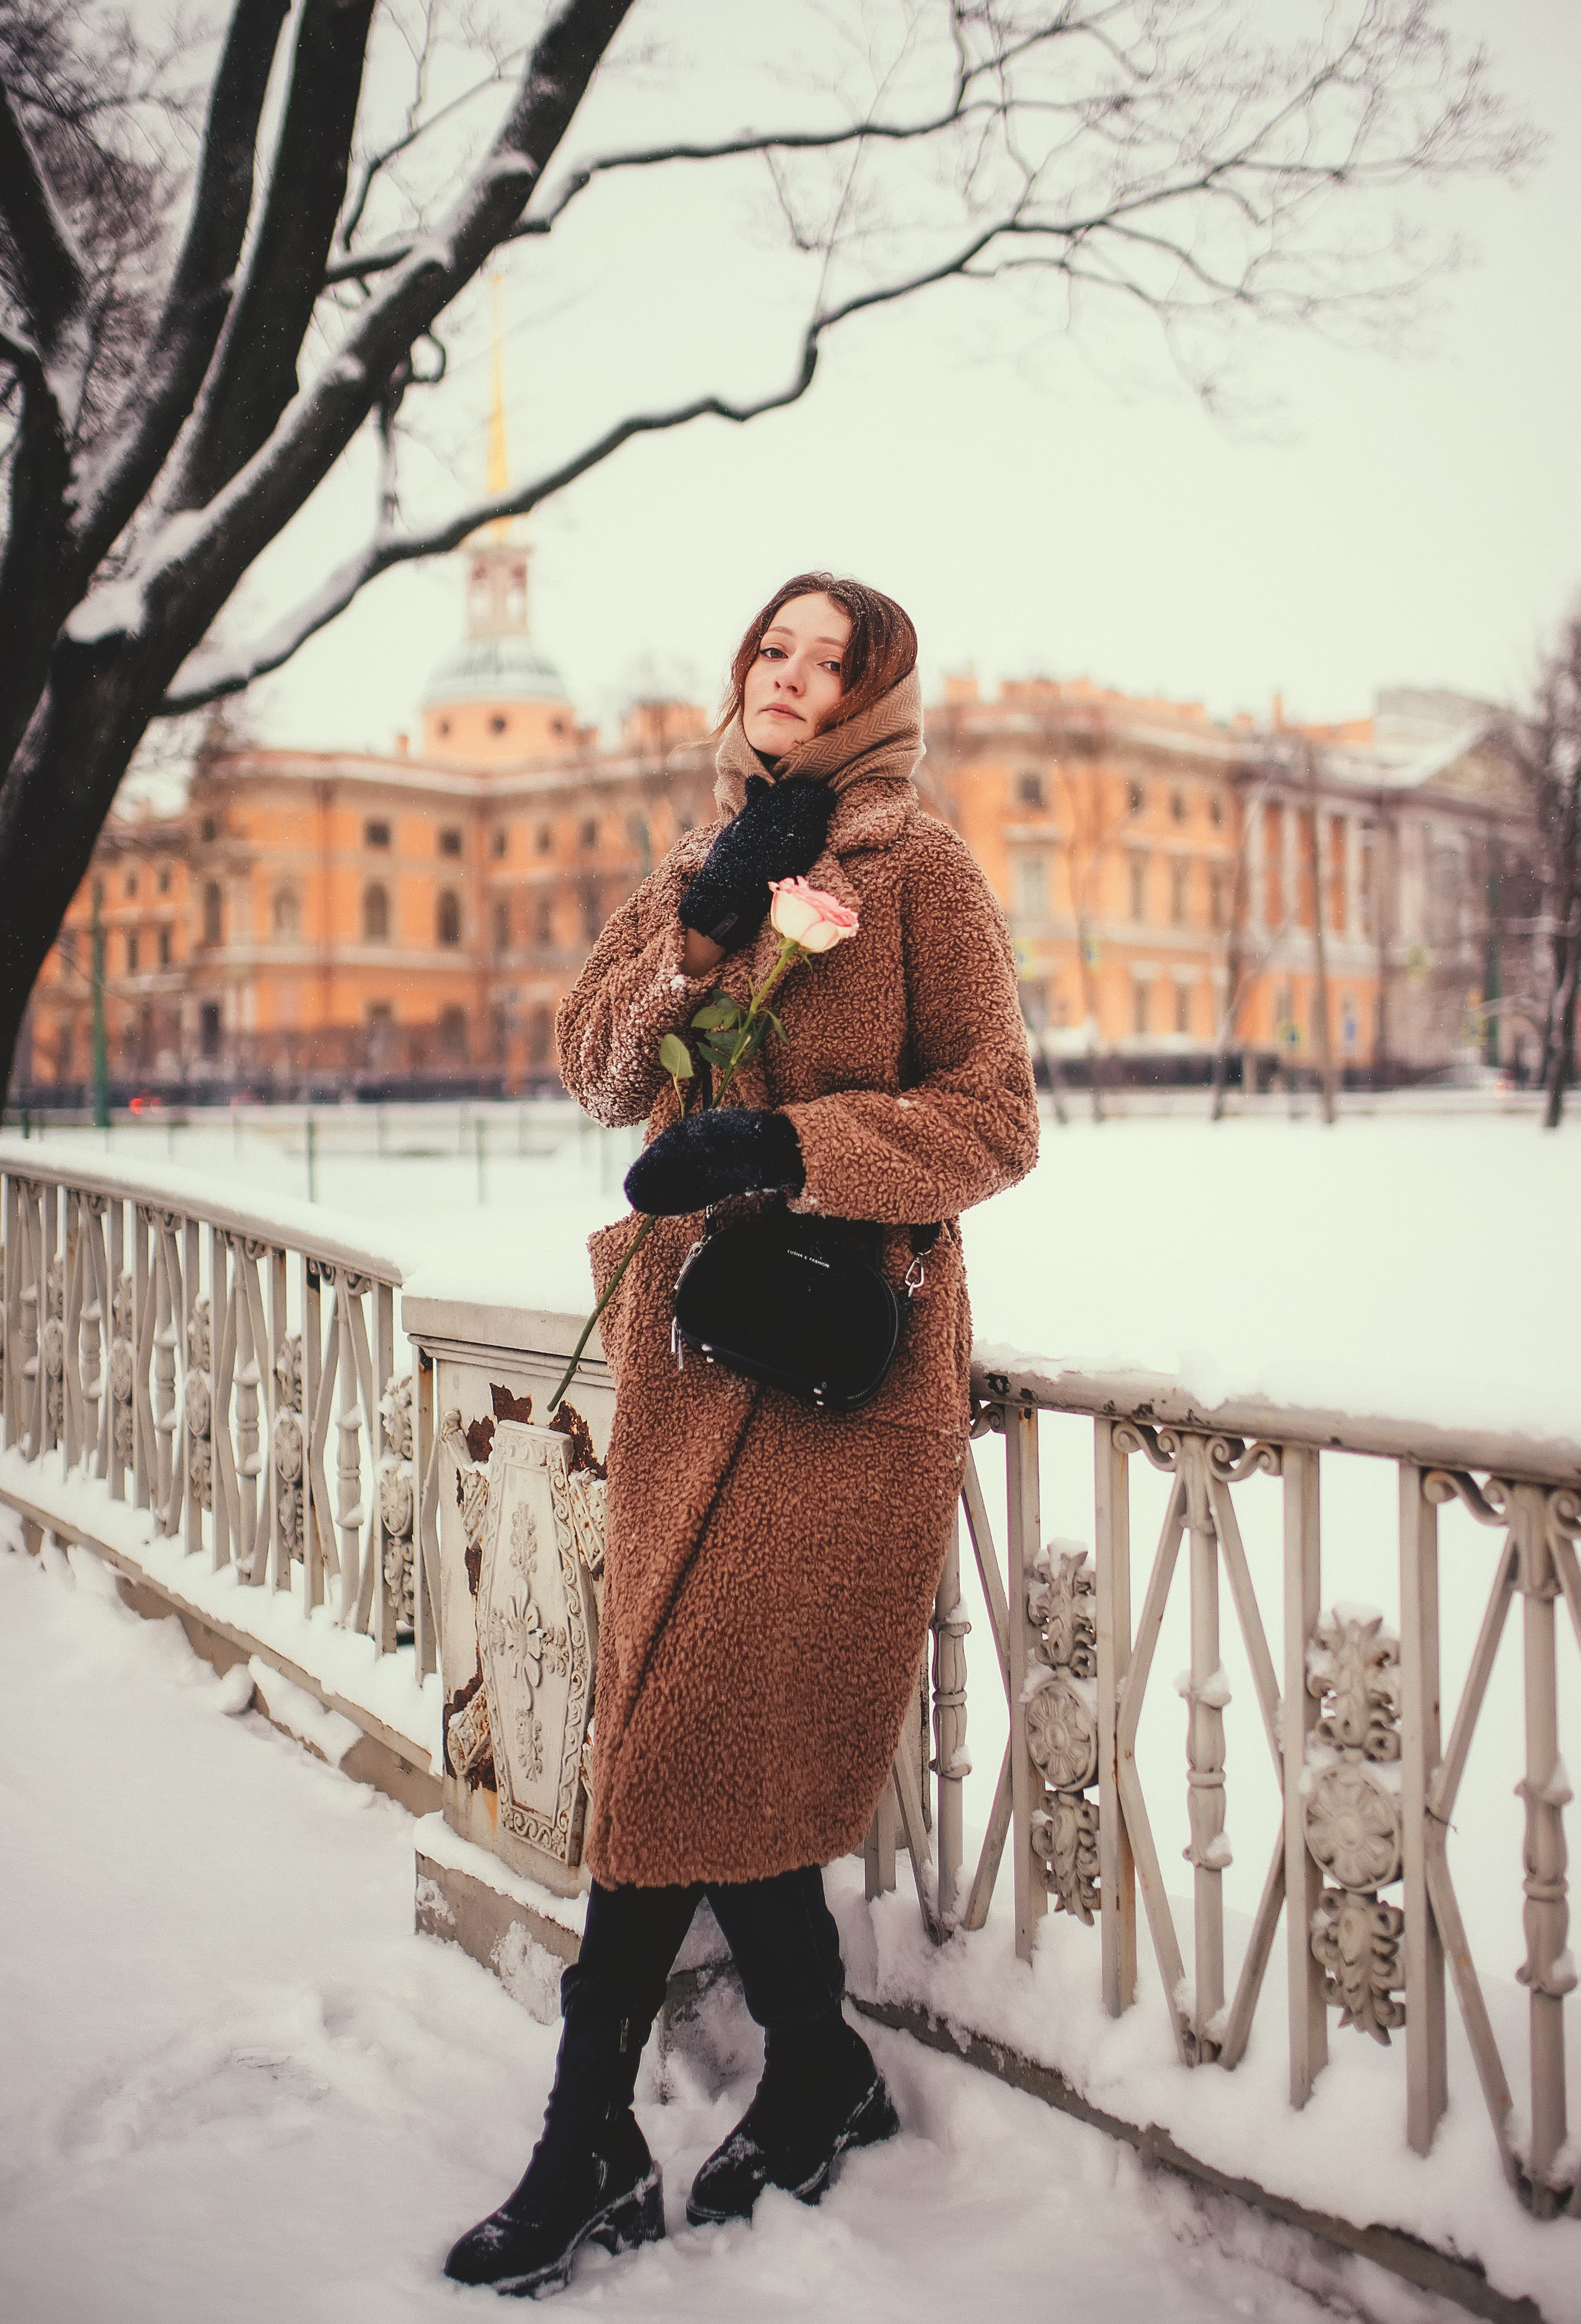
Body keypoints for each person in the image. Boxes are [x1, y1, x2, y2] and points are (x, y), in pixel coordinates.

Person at [444, 574, 1039, 2296]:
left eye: (827, 661)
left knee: (679, 1726)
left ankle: (587, 2141)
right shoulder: (699, 857)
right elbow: (596, 1070)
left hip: (845, 1368)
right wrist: (696, 930)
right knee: (693, 1733)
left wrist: (786, 1151)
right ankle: (818, 2067)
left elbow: (995, 1117)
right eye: (771, 651)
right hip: (695, 1353)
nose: (788, 678)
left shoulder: (911, 866)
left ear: (876, 696)